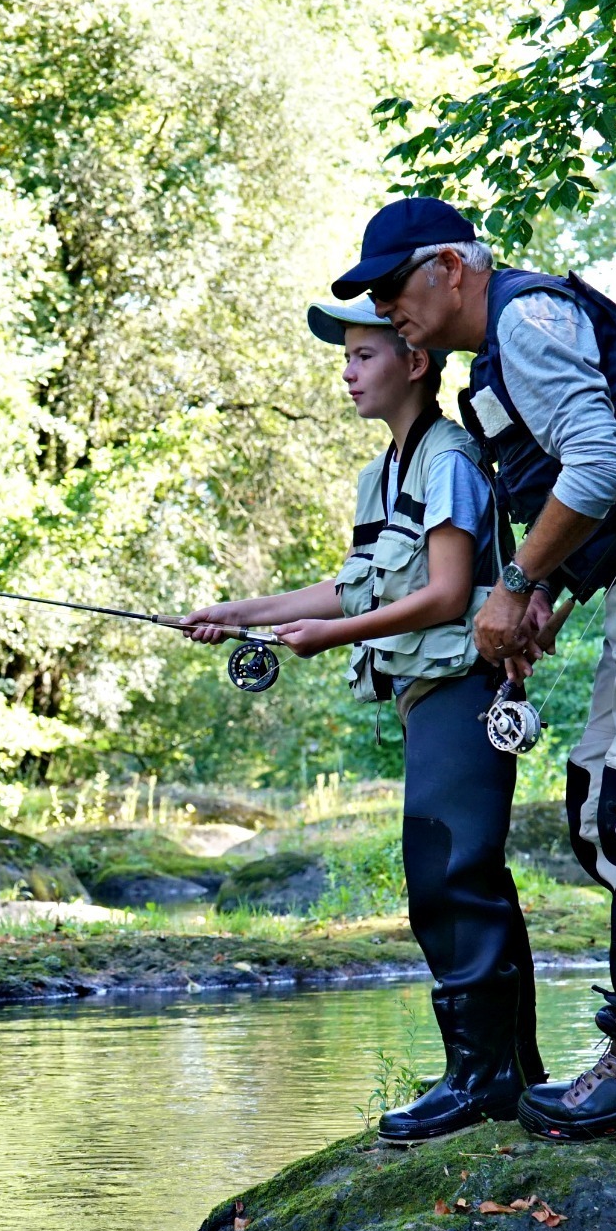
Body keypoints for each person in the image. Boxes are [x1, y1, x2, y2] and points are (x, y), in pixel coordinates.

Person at [332, 196, 616, 1143]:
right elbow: (596, 489)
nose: (387, 309)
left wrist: (518, 579)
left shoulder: (525, 320)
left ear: (450, 266)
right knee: (593, 805)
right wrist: (545, 595)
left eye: (394, 286)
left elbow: (601, 465)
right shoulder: (503, 347)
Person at [182, 298, 544, 1145]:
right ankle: (497, 1073)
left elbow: (449, 595)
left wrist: (328, 638)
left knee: (451, 875)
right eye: (346, 358)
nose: (347, 372)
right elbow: (351, 587)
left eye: (363, 356)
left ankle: (486, 1079)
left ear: (414, 363)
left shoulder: (449, 460)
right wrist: (242, 612)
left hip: (467, 688)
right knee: (454, 873)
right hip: (427, 700)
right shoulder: (382, 475)